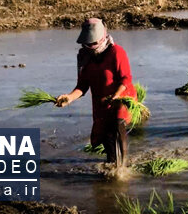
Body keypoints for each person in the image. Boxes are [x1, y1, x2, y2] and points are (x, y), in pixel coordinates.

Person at [55, 18, 137, 167]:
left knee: (117, 129)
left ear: (102, 37)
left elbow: (126, 79)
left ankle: (122, 170)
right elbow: (83, 85)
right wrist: (69, 98)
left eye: (93, 43)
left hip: (121, 98)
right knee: (106, 138)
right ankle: (112, 165)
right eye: (87, 44)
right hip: (101, 102)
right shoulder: (84, 57)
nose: (91, 47)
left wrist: (116, 95)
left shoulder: (116, 52)